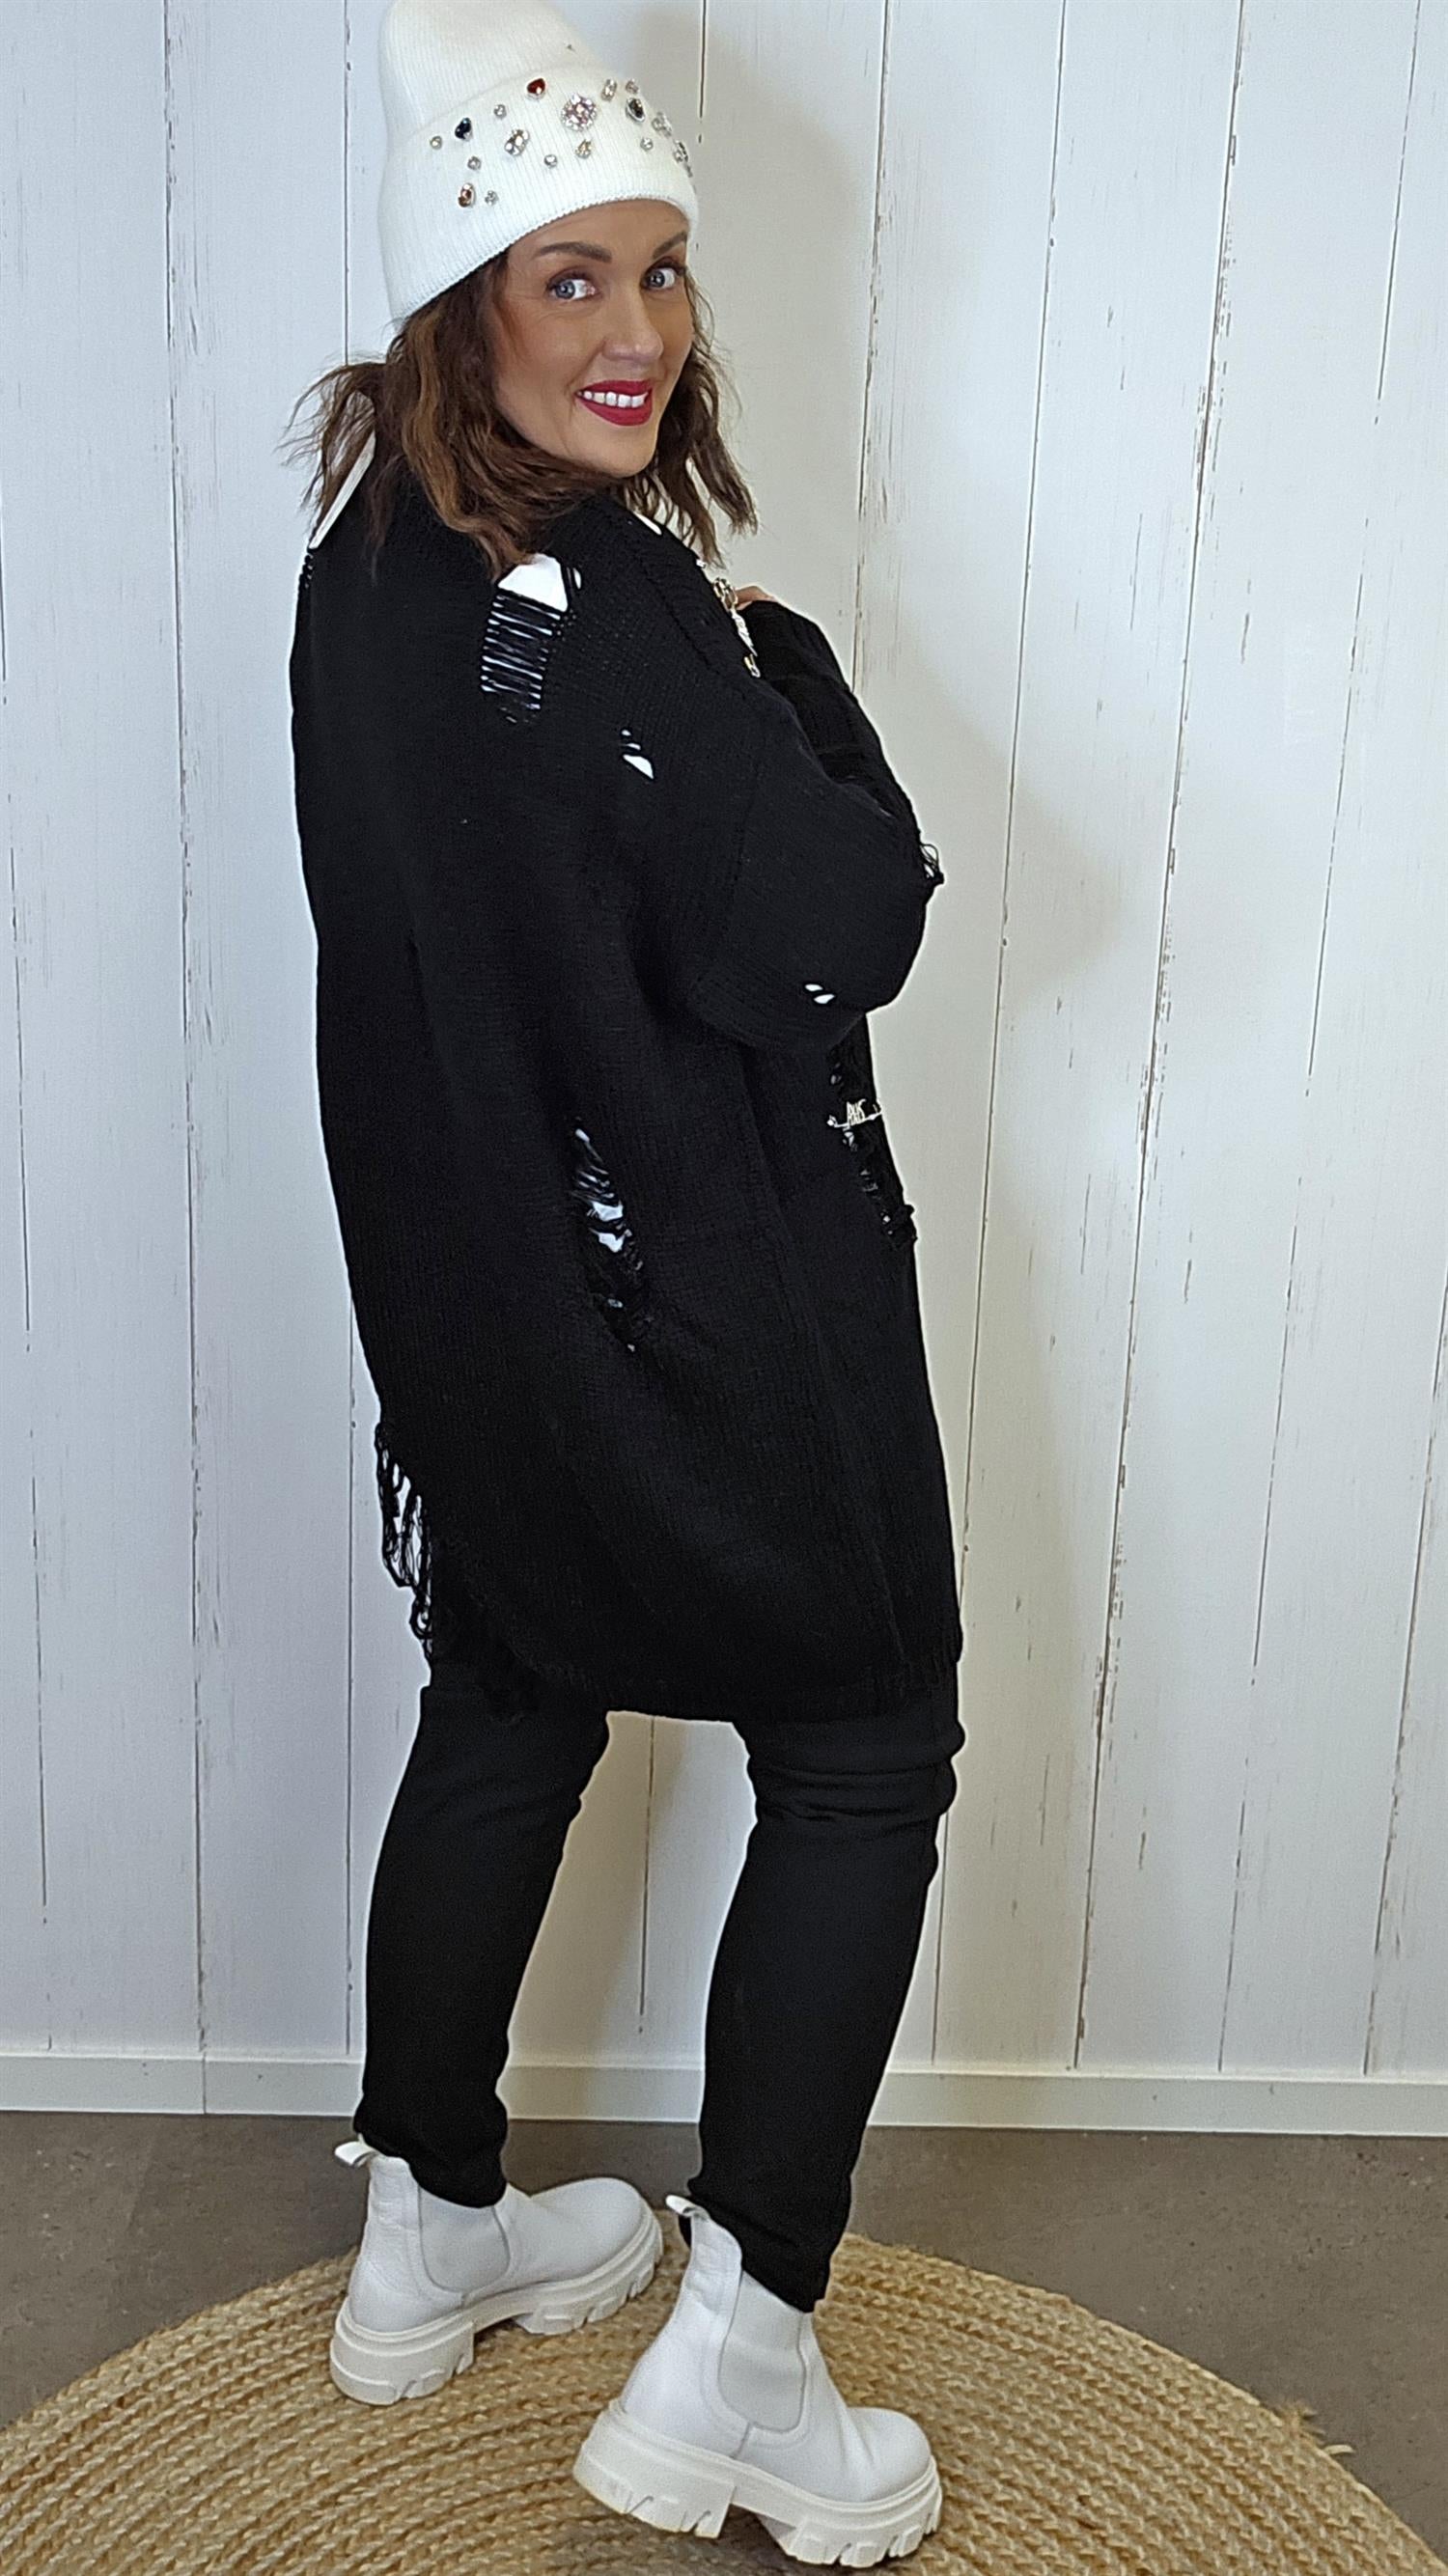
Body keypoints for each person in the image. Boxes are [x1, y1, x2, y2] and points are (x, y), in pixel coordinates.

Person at [285, 0, 964, 2561]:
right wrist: (793, 672)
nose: (637, 334)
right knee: (867, 1745)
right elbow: (839, 934)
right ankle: (746, 2358)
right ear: (457, 301)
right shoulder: (636, 613)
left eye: (661, 272)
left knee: (512, 1686)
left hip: (483, 1318)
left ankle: (426, 2227)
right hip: (709, 1309)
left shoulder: (365, 577)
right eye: (569, 279)